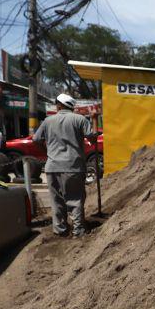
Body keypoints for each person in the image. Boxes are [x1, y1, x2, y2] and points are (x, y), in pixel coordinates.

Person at [34, 93, 95, 238]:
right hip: (73, 166)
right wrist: (93, 118)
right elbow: (92, 137)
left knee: (56, 201)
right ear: (71, 106)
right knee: (75, 199)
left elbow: (36, 140)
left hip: (52, 167)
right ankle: (78, 230)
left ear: (59, 105)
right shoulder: (79, 119)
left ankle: (60, 230)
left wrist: (48, 152)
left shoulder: (48, 121)